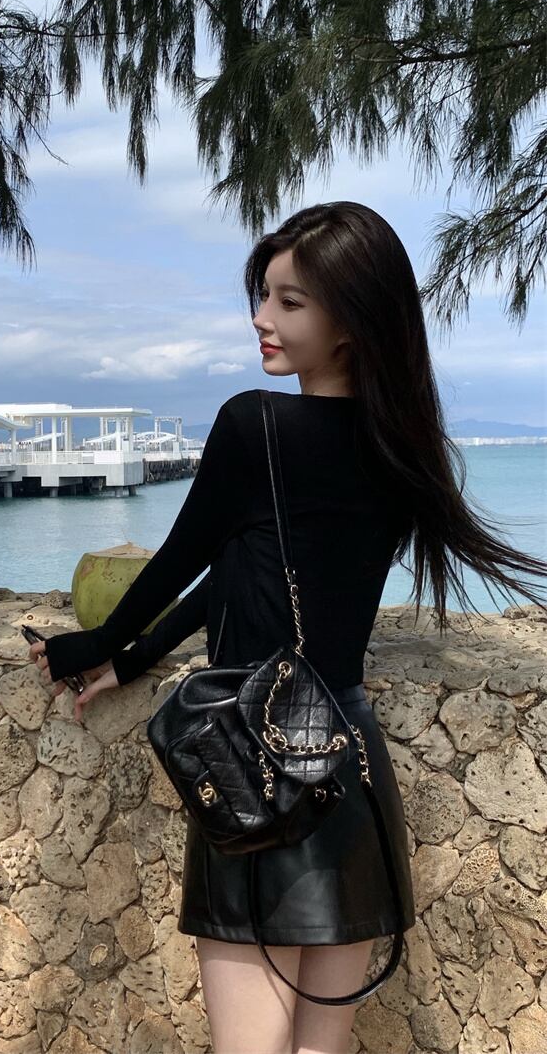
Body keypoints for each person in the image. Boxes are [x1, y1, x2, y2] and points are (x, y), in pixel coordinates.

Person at [28, 201, 547, 1054]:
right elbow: (245, 571)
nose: (261, 318)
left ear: (351, 321)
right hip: (348, 765)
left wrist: (91, 645)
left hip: (252, 768)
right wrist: (137, 654)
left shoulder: (253, 424)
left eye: (289, 301)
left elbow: (179, 561)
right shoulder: (402, 453)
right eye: (263, 295)